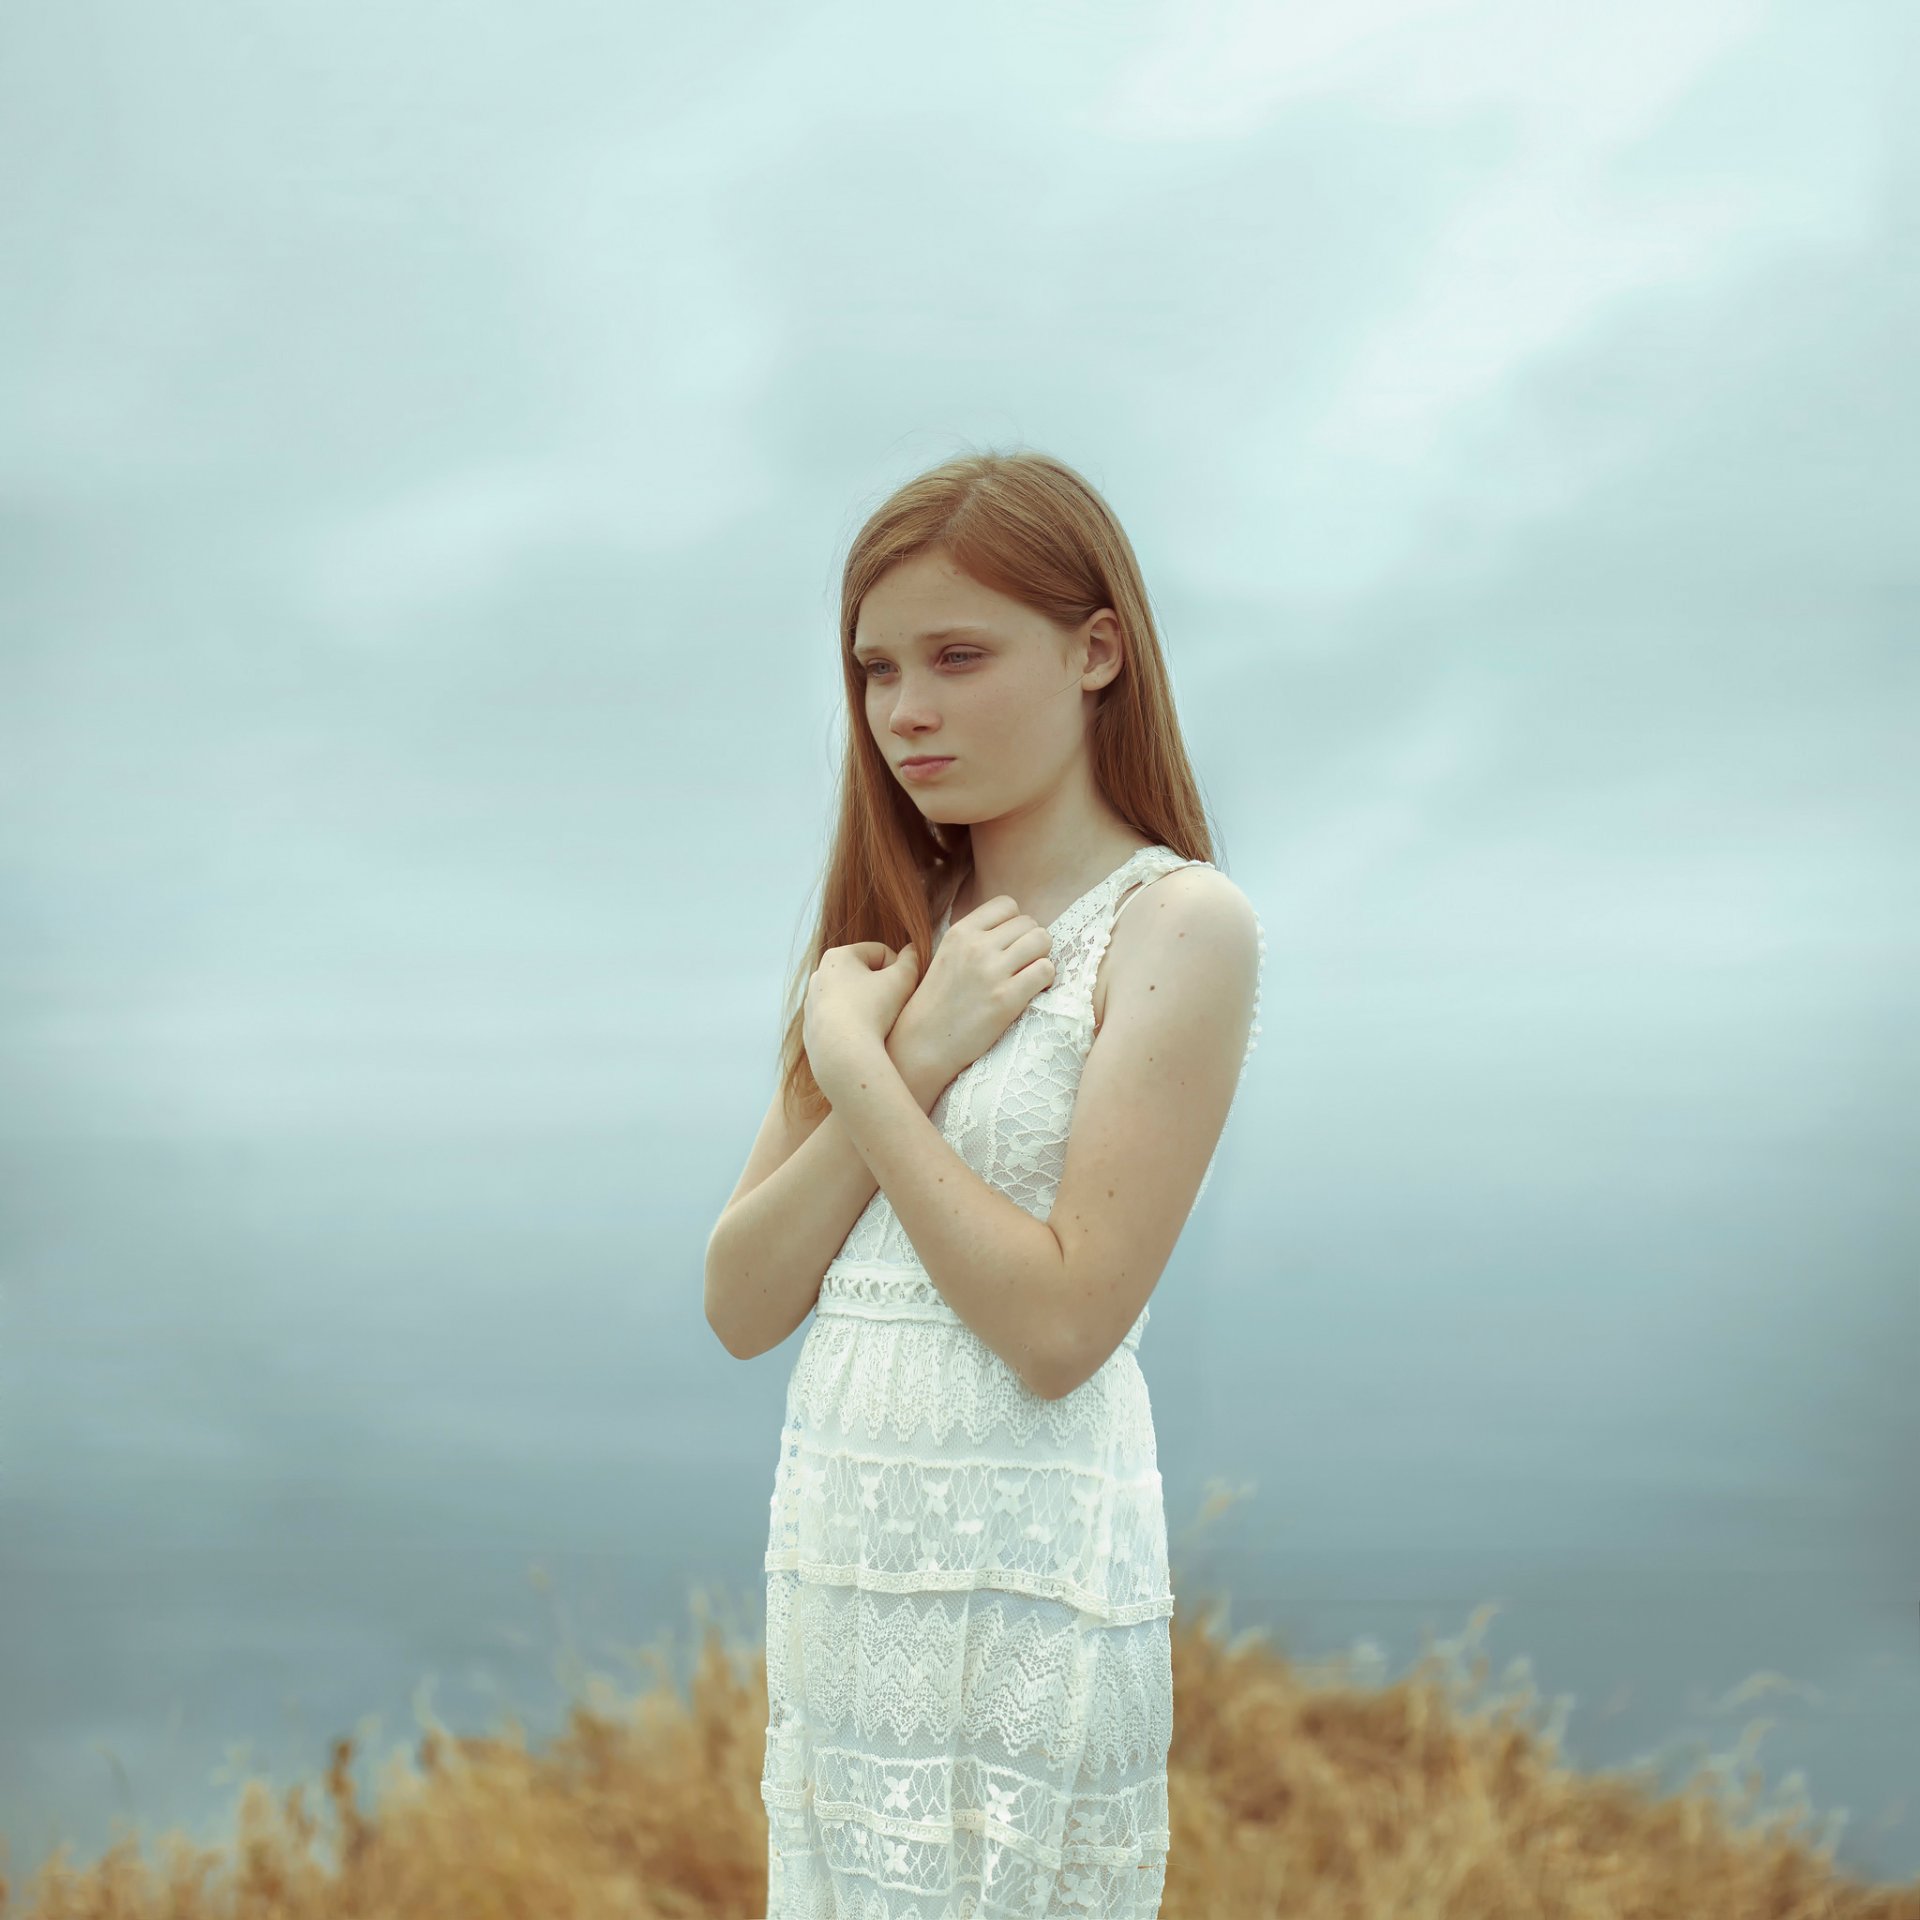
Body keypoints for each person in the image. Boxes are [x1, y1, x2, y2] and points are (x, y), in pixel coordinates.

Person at [704, 448, 1265, 1918]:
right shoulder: (890, 931)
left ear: (1097, 651)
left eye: (957, 656)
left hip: (1027, 1580)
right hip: (849, 1573)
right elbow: (742, 1301)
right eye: (876, 668)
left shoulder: (1178, 924)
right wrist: (904, 1045)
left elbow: (1061, 1329)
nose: (904, 709)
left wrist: (869, 1061)